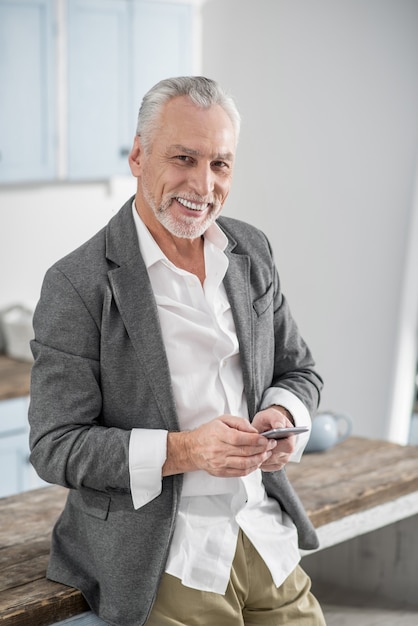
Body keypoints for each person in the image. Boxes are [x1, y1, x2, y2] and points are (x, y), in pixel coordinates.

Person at [29, 76, 326, 626]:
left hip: (264, 531)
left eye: (220, 164)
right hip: (163, 551)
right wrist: (188, 451)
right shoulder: (78, 283)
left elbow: (298, 368)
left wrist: (283, 414)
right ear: (139, 156)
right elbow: (56, 446)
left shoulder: (251, 251)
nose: (203, 184)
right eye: (184, 158)